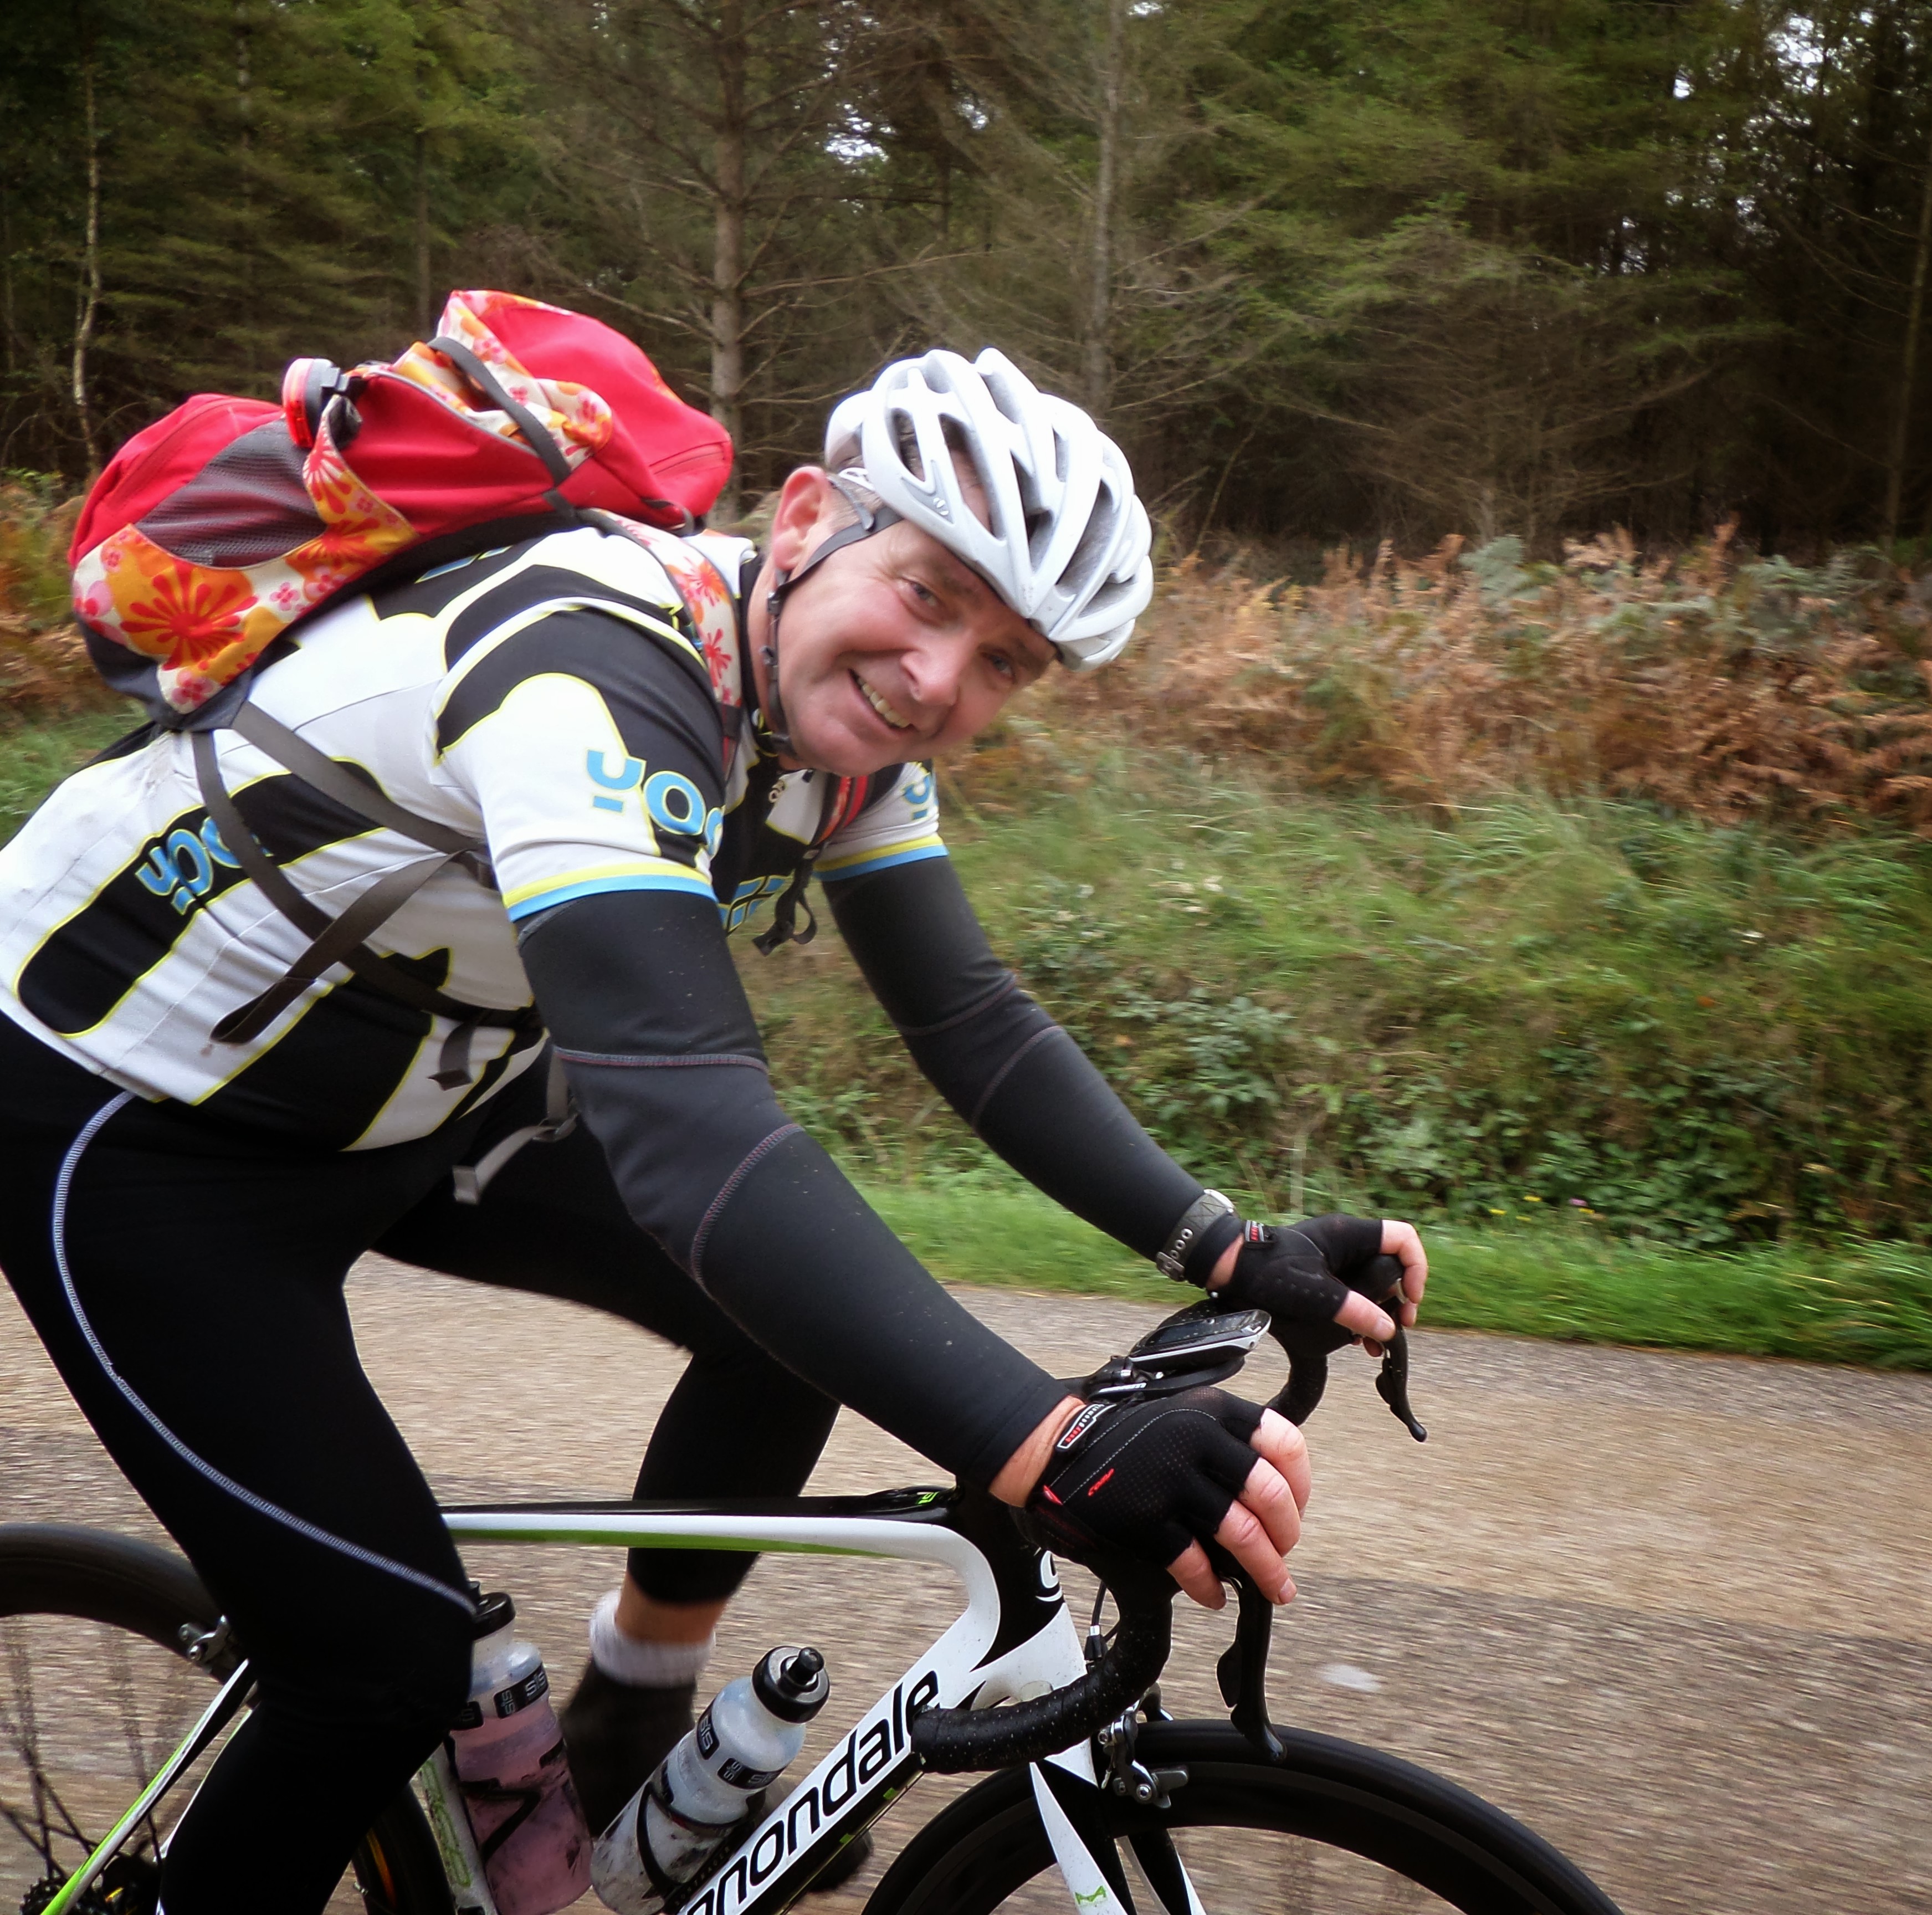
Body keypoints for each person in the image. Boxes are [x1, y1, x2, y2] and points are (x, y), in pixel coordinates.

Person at [0, 345, 1426, 1908]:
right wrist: (1054, 1446)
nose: (939, 680)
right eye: (929, 595)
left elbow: (971, 1021)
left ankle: (628, 1716)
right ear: (806, 519)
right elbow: (690, 1129)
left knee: (777, 1331)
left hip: (408, 1090)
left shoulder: (835, 741)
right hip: (129, 1121)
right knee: (381, 1663)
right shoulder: (587, 662)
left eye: (1007, 661)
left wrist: (1226, 1244)